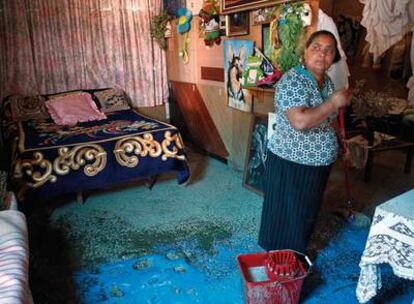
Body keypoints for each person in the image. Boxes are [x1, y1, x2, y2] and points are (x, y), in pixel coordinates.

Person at [258, 30, 351, 253]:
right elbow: (299, 121)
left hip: (317, 163)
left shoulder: (325, 82)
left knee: (305, 212)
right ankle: (280, 261)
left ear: (334, 58)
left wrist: (340, 141)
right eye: (316, 47)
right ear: (305, 51)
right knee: (286, 213)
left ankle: (296, 254)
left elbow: (326, 120)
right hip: (291, 161)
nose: (322, 54)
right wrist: (333, 103)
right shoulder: (293, 80)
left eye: (329, 51)